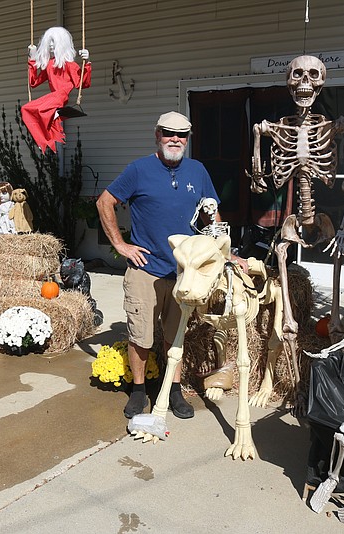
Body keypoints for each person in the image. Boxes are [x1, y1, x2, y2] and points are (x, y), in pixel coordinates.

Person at [97, 111, 249, 420]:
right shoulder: (138, 170)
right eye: (168, 133)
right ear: (157, 135)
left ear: (188, 139)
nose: (175, 139)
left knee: (174, 336)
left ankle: (174, 390)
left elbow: (211, 215)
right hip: (145, 269)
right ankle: (139, 391)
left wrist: (224, 253)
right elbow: (104, 202)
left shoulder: (197, 171)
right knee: (140, 336)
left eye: (181, 135)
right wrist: (120, 245)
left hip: (184, 274)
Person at [21, 26, 92, 153]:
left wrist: (86, 62)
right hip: (53, 97)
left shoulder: (70, 65)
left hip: (60, 96)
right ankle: (42, 139)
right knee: (26, 109)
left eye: (54, 42)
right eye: (50, 42)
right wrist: (32, 59)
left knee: (39, 110)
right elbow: (34, 82)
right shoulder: (49, 65)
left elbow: (81, 84)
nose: (52, 45)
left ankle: (46, 136)